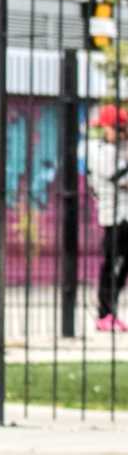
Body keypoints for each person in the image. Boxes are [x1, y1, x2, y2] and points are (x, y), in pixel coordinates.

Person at [87, 104, 128, 331]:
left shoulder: (120, 150)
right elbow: (121, 180)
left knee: (122, 266)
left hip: (125, 215)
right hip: (113, 216)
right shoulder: (102, 152)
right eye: (117, 128)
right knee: (111, 264)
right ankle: (105, 313)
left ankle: (110, 311)